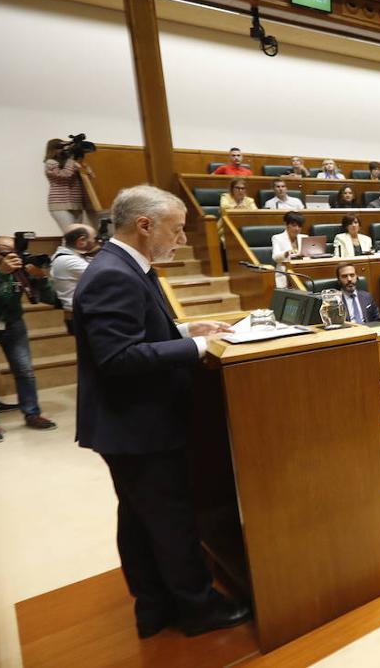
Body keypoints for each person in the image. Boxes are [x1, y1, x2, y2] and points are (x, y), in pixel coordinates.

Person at [72, 185, 249, 637]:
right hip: (137, 424)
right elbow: (118, 358)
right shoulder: (115, 273)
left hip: (129, 423)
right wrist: (197, 346)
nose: (183, 240)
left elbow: (138, 327)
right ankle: (197, 608)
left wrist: (188, 327)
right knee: (171, 520)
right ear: (145, 225)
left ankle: (153, 606)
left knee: (139, 519)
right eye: (177, 229)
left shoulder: (124, 266)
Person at [0, 235, 58, 442]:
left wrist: (41, 278)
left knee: (25, 371)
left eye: (13, 250)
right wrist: (0, 274)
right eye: (3, 250)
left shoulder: (20, 270)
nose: (9, 254)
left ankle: (32, 414)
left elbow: (50, 299)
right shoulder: (4, 270)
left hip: (13, 323)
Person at [50, 223, 97, 335]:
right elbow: (104, 276)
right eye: (94, 239)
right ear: (81, 241)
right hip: (80, 317)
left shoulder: (68, 255)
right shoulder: (68, 260)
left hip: (81, 314)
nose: (96, 242)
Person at [44, 137, 98, 230]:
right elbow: (65, 175)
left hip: (76, 203)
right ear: (52, 150)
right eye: (59, 147)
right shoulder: (50, 163)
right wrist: (71, 160)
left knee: (77, 234)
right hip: (60, 204)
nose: (63, 150)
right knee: (70, 234)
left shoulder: (71, 163)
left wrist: (85, 166)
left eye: (64, 147)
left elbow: (90, 179)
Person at [270, 211, 305, 287]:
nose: (297, 229)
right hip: (284, 273)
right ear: (286, 225)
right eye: (294, 225)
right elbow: (275, 257)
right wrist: (286, 253)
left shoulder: (304, 238)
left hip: (302, 273)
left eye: (299, 226)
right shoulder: (277, 238)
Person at [217, 179, 255, 246]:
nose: (240, 191)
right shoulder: (225, 197)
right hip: (226, 226)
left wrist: (236, 208)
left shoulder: (249, 200)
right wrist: (241, 208)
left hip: (245, 225)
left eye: (243, 188)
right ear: (232, 189)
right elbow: (224, 208)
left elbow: (254, 212)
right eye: (237, 188)